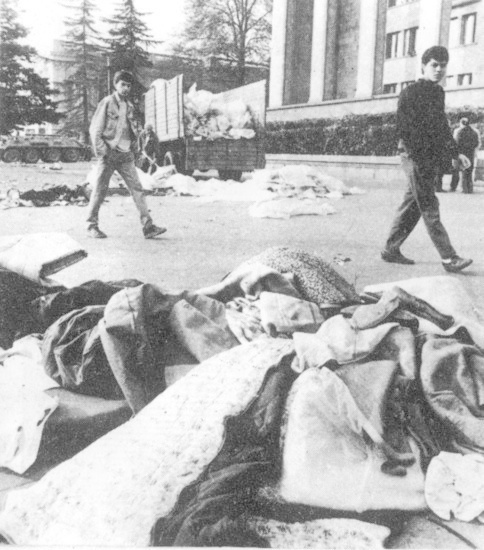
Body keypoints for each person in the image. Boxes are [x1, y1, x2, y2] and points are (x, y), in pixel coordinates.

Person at [381, 46, 472, 273]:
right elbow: (404, 128)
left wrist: (456, 153)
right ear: (423, 66)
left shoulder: (437, 92)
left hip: (426, 157)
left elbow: (441, 127)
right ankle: (449, 258)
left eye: (443, 65)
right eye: (434, 65)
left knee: (413, 204)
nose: (439, 69)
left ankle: (391, 249)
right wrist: (420, 157)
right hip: (414, 155)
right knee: (429, 204)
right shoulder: (410, 92)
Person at [87, 70, 167, 239]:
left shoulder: (129, 106)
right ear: (115, 85)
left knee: (138, 189)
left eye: (128, 86)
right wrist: (103, 152)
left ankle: (148, 227)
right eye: (122, 84)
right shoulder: (107, 102)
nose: (125, 88)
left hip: (126, 156)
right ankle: (91, 226)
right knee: (100, 190)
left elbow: (133, 131)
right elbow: (95, 130)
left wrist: (135, 150)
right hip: (109, 154)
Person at [450, 117, 480, 194]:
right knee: (469, 171)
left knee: (462, 170)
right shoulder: (474, 132)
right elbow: (476, 143)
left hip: (462, 154)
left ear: (461, 123)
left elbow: (456, 142)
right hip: (470, 153)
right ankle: (470, 188)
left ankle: (464, 188)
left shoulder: (459, 131)